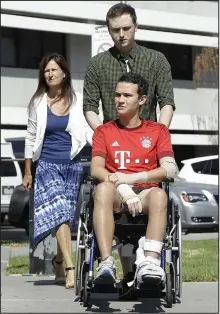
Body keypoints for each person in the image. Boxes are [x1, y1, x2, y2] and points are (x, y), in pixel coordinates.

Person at [90, 72, 178, 288]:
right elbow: (96, 169)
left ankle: (149, 263)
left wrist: (132, 178)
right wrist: (125, 189)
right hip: (116, 194)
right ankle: (107, 264)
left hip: (146, 193)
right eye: (117, 95)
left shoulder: (157, 131)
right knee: (102, 189)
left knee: (159, 195)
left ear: (142, 100)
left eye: (127, 95)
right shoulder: (104, 131)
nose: (120, 100)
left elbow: (170, 169)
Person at [23, 52, 92, 289]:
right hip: (47, 166)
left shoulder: (78, 99)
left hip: (72, 166)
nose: (50, 74)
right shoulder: (38, 102)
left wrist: (106, 147)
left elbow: (87, 129)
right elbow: (31, 137)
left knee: (66, 218)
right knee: (61, 212)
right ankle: (71, 268)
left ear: (64, 73)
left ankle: (59, 260)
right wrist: (28, 170)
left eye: (54, 69)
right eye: (46, 70)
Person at [83, 2, 175, 130]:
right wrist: (104, 135)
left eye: (126, 28)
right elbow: (89, 106)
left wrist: (160, 134)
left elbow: (166, 102)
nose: (121, 34)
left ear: (135, 26)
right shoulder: (97, 64)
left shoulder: (156, 60)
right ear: (109, 30)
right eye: (115, 30)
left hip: (147, 139)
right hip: (112, 140)